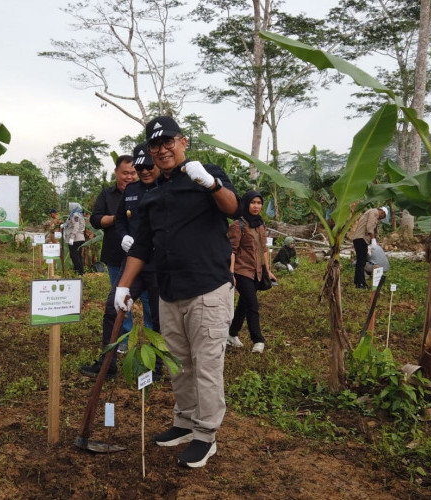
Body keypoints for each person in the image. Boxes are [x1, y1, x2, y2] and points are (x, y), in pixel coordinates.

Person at [114, 116, 240, 468]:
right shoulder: (153, 195)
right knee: (178, 364)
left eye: (168, 141)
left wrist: (211, 184)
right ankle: (184, 423)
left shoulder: (207, 174)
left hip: (207, 288)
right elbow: (141, 246)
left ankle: (206, 435)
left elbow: (233, 208)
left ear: (182, 141)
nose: (162, 149)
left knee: (207, 365)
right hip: (169, 291)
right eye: (155, 145)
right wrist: (123, 286)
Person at [80, 144, 162, 380]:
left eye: (149, 167)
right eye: (140, 167)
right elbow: (120, 219)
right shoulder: (132, 190)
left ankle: (156, 368)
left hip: (157, 265)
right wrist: (124, 235)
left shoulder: (166, 188)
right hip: (132, 262)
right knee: (112, 308)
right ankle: (108, 364)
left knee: (157, 315)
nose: (144, 172)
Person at [91, 155, 138, 336]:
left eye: (133, 173)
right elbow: (96, 219)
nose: (129, 177)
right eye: (125, 173)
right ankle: (123, 339)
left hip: (143, 256)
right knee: (120, 299)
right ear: (116, 173)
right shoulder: (106, 195)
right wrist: (118, 219)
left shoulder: (145, 191)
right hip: (116, 255)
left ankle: (154, 341)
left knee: (150, 300)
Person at [227, 190, 276, 354]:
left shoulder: (260, 224)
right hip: (242, 271)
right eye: (253, 203)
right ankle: (258, 340)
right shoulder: (238, 225)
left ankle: (231, 334)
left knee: (244, 304)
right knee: (253, 305)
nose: (256, 206)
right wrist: (231, 273)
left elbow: (264, 249)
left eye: (259, 203)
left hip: (257, 271)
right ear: (246, 204)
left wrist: (268, 271)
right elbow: (232, 250)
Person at [352, 206, 388, 289]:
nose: (380, 219)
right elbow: (369, 227)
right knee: (361, 263)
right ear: (382, 213)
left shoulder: (369, 212)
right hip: (362, 239)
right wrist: (373, 239)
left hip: (358, 239)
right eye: (382, 217)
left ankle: (357, 281)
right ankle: (361, 284)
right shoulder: (374, 212)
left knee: (360, 262)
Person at [63, 203, 86, 275]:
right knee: (78, 255)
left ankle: (79, 271)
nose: (70, 209)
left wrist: (72, 237)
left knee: (74, 255)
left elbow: (76, 226)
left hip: (76, 239)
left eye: (70, 208)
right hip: (80, 238)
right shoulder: (80, 215)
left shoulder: (75, 215)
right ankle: (80, 271)